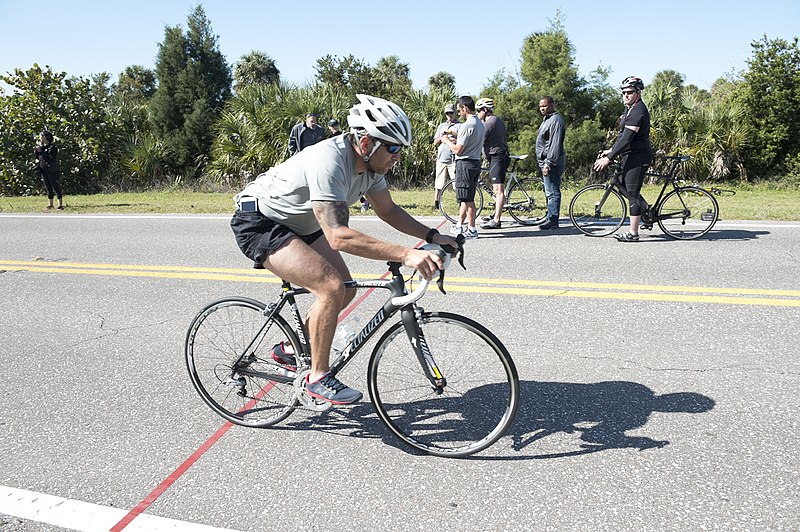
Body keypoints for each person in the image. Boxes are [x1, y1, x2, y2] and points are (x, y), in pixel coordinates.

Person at [231, 94, 457, 405]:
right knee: (331, 287)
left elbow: (388, 211)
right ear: (366, 143)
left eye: (401, 149)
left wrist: (432, 234)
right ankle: (317, 377)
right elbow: (338, 236)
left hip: (303, 223)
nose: (398, 156)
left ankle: (289, 348)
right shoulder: (330, 161)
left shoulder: (372, 168)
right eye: (393, 148)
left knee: (346, 289)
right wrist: (406, 254)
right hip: (260, 221)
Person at [593, 76, 653, 242]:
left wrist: (609, 159)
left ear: (638, 92)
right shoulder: (630, 110)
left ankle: (633, 234)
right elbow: (622, 138)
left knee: (632, 194)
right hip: (630, 155)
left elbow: (627, 139)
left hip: (638, 157)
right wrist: (610, 150)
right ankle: (646, 209)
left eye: (629, 92)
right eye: (623, 92)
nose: (625, 95)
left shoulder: (638, 111)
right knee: (620, 184)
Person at [439, 96, 485, 239]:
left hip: (465, 163)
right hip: (475, 162)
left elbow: (458, 150)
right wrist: (453, 134)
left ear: (465, 108)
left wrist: (446, 141)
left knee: (468, 199)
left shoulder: (466, 125)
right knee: (466, 196)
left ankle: (471, 229)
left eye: (459, 110)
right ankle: (459, 225)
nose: (458, 113)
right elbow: (467, 138)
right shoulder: (478, 123)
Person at [476, 98, 509, 229]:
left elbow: (477, 136)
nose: (478, 113)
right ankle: (496, 213)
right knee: (497, 189)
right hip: (497, 156)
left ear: (485, 110)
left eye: (479, 110)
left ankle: (496, 221)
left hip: (497, 157)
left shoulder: (491, 122)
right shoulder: (496, 120)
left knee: (498, 190)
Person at [535, 96, 567, 230]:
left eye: (545, 105)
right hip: (545, 160)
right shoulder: (547, 120)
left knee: (552, 191)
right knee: (548, 190)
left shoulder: (555, 121)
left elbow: (555, 144)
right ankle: (550, 216)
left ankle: (553, 219)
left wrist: (548, 163)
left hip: (552, 161)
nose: (542, 108)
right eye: (541, 106)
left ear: (552, 105)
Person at [431, 103, 460, 210]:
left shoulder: (459, 126)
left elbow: (463, 141)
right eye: (447, 113)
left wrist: (453, 139)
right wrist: (443, 136)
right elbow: (435, 142)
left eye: (451, 113)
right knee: (439, 182)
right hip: (442, 158)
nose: (449, 115)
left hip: (454, 158)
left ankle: (460, 203)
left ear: (455, 113)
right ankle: (436, 203)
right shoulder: (441, 126)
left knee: (456, 182)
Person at [34, 130, 63, 211]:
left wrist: (42, 152)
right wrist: (37, 152)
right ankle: (50, 204)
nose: (40, 137)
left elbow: (51, 158)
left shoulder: (52, 147)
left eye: (41, 136)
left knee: (55, 187)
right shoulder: (42, 147)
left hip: (52, 170)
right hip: (44, 170)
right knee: (48, 188)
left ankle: (60, 205)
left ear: (45, 137)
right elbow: (39, 158)